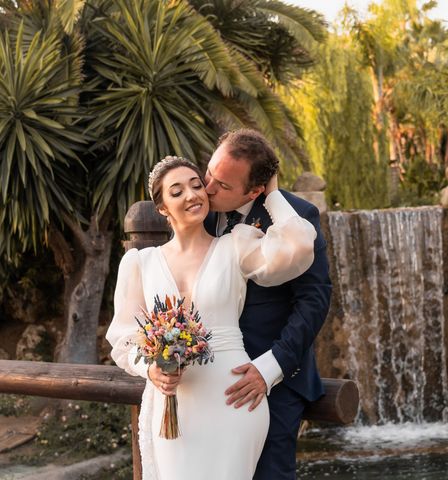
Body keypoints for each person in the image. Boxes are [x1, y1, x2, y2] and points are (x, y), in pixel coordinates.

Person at [106, 155, 316, 479]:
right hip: (172, 406)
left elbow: (297, 247)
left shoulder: (237, 245)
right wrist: (150, 368)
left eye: (195, 185)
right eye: (177, 191)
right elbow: (123, 336)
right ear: (162, 208)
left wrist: (271, 190)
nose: (192, 195)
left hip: (235, 400)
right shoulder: (139, 263)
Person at [203, 129, 332, 480]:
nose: (209, 187)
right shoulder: (198, 210)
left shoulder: (298, 216)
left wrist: (269, 368)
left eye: (223, 185)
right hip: (207, 380)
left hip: (272, 382)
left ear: (256, 190)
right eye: (209, 172)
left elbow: (314, 301)